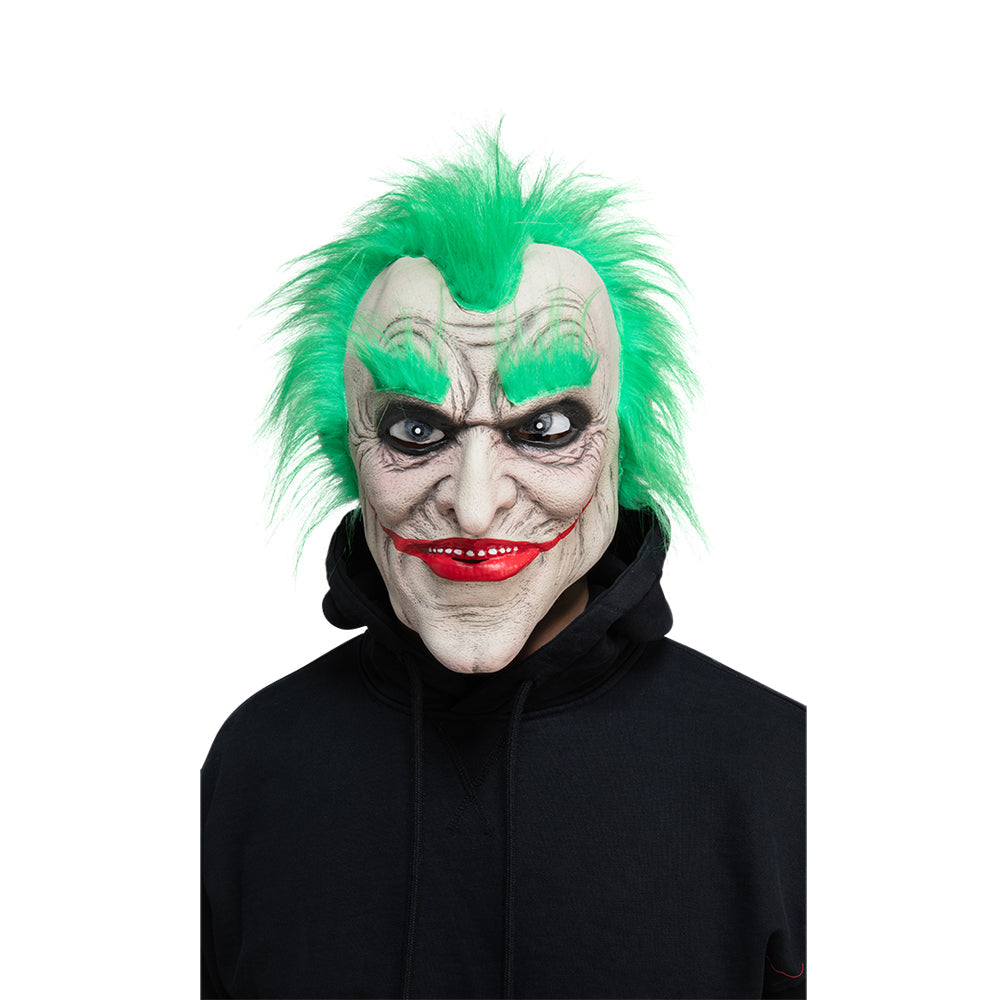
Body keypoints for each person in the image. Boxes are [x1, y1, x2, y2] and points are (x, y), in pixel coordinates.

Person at [201, 135, 806, 999]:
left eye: (546, 429)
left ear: (623, 448)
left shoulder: (781, 772)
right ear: (348, 448)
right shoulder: (255, 766)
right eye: (415, 430)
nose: (476, 507)